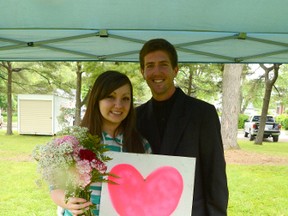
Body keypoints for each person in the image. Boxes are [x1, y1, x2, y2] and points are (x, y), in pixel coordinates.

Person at [136, 38, 228, 215]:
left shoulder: (203, 113)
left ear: (175, 70)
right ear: (142, 71)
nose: (156, 72)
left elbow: (214, 175)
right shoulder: (135, 117)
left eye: (163, 64)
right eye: (150, 66)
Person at [50, 70, 151, 216]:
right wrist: (67, 202)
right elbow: (55, 187)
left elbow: (146, 192)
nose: (119, 105)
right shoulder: (75, 141)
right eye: (110, 97)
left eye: (125, 98)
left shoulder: (141, 145)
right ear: (96, 99)